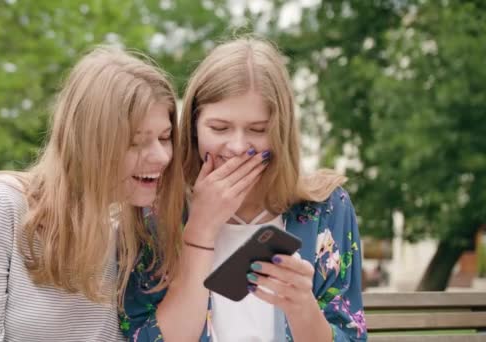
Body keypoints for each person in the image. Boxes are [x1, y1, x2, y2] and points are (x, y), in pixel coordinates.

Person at [122, 37, 367, 341]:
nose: (238, 147)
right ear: (194, 127)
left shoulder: (327, 209)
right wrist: (200, 228)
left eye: (258, 130)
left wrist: (302, 307)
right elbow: (140, 335)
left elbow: (351, 334)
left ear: (282, 131)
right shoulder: (155, 209)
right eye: (219, 128)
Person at [0, 46, 185, 341]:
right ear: (88, 143)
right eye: (135, 142)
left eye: (165, 137)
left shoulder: (128, 229)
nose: (161, 157)